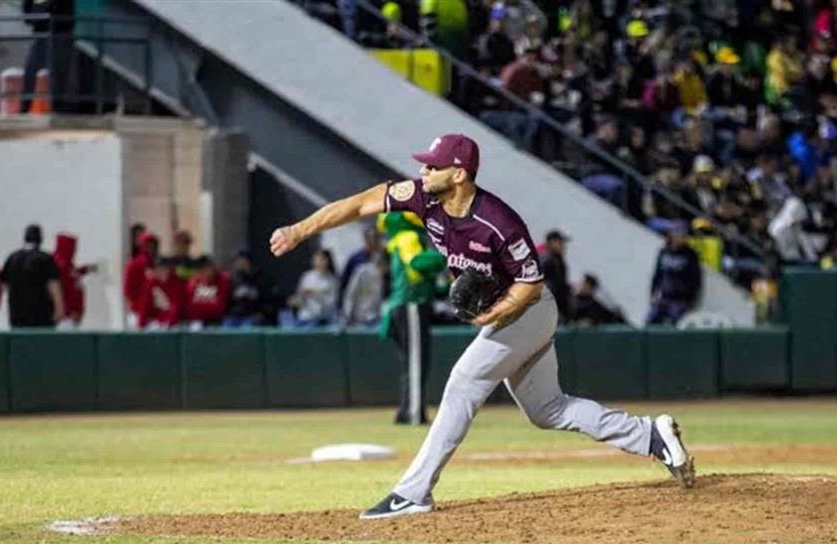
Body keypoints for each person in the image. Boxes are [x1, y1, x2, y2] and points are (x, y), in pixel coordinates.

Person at [269, 133, 694, 520]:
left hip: (528, 311)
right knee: (549, 410)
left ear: (458, 173)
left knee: (463, 382)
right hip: (514, 315)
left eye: (433, 166)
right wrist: (299, 229)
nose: (423, 171)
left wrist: (490, 317)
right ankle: (649, 436)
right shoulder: (423, 198)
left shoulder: (499, 222)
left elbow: (530, 284)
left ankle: (413, 492)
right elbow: (360, 203)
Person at [377, 211, 445, 425]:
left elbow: (420, 276)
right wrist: (445, 254)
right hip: (411, 304)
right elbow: (416, 263)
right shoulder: (408, 237)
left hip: (405, 305)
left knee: (411, 363)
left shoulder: (400, 239)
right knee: (417, 363)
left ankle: (406, 411)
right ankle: (414, 413)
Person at [1, 224, 63, 328]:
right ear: (40, 239)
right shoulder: (46, 258)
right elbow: (53, 285)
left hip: (17, 316)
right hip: (41, 316)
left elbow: (4, 285)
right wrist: (59, 308)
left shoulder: (12, 258)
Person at [646, 225, 703, 325]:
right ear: (671, 235)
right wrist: (653, 293)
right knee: (650, 319)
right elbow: (657, 274)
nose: (680, 238)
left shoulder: (691, 254)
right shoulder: (663, 252)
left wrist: (691, 299)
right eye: (677, 234)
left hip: (681, 299)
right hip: (664, 296)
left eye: (683, 235)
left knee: (675, 323)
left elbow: (696, 278)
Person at [52, 233, 97, 330]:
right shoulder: (59, 266)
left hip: (72, 316)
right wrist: (70, 310)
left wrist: (86, 269)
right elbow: (62, 290)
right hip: (66, 317)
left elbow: (74, 274)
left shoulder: (68, 265)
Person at [285, 249, 338, 327]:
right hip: (306, 317)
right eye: (317, 259)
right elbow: (299, 299)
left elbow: (332, 302)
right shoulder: (307, 277)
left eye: (322, 259)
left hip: (323, 319)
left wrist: (315, 293)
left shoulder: (332, 280)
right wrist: (296, 299)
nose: (319, 262)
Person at [338, 225, 381, 309]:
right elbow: (345, 282)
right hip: (360, 302)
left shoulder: (386, 256)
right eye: (369, 239)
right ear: (365, 240)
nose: (372, 242)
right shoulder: (355, 258)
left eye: (375, 239)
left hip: (379, 301)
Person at [183, 256, 231, 329]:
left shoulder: (222, 280)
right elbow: (189, 307)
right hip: (196, 320)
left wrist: (200, 305)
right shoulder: (193, 282)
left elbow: (220, 307)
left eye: (206, 269)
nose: (204, 274)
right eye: (200, 271)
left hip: (216, 320)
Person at [223, 250, 268, 328]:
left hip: (253, 314)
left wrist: (249, 274)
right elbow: (227, 300)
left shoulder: (259, 277)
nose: (240, 263)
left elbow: (264, 298)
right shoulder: (232, 278)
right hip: (235, 315)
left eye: (243, 261)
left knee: (247, 327)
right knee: (227, 326)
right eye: (239, 261)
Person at [137, 257, 185, 330]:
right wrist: (141, 324)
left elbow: (176, 306)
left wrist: (169, 323)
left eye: (164, 268)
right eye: (158, 269)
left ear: (169, 269)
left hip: (173, 323)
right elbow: (144, 305)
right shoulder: (150, 283)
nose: (161, 271)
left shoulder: (176, 283)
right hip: (154, 322)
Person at [124, 231, 158, 329]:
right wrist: (139, 304)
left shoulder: (158, 264)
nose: (151, 248)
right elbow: (128, 290)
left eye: (153, 245)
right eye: (148, 245)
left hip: (155, 314)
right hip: (138, 312)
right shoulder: (134, 264)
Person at [539, 230, 571, 323]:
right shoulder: (546, 260)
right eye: (559, 242)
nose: (563, 245)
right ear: (551, 243)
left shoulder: (558, 259)